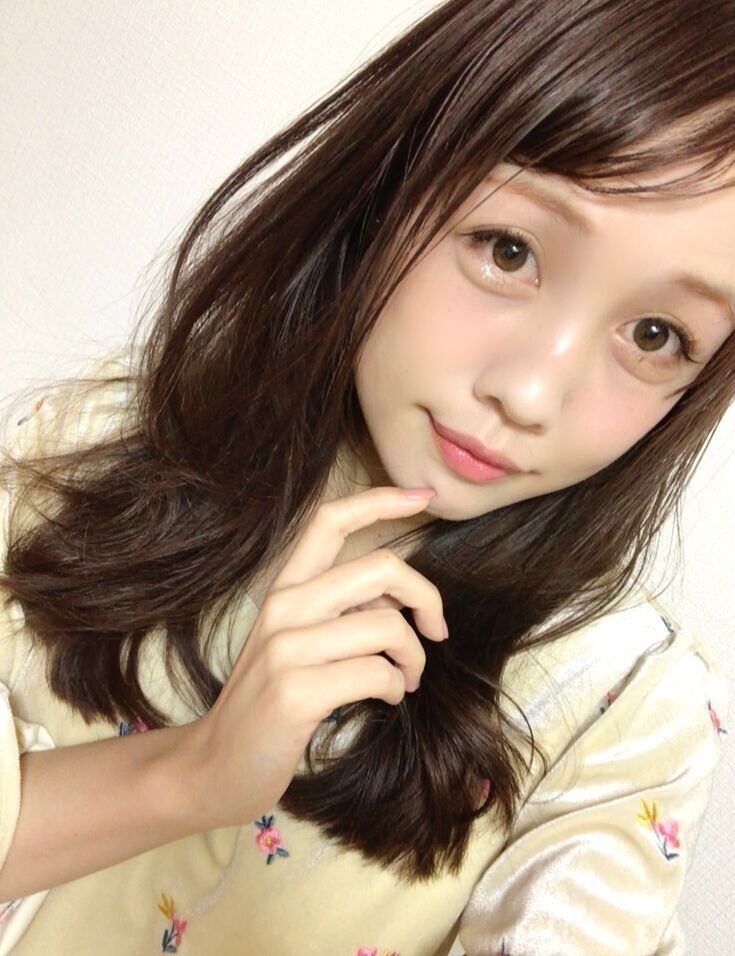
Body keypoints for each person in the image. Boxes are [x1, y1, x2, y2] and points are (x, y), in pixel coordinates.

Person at [0, 0, 733, 952]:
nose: (527, 393)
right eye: (507, 251)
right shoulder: (90, 445)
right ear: (389, 188)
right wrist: (193, 776)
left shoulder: (619, 704)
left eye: (655, 335)